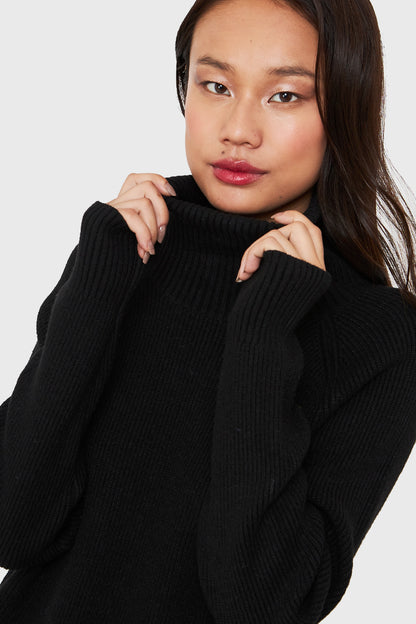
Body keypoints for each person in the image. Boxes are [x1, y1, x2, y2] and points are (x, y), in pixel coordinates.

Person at [0, 0, 415, 622]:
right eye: (215, 85)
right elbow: (13, 525)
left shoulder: (382, 335)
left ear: (347, 108)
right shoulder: (125, 252)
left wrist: (265, 332)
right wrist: (96, 285)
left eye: (285, 96)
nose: (238, 130)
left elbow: (261, 605)